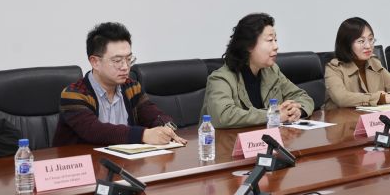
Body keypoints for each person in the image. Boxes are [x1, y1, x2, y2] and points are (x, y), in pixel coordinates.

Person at [54, 22, 187, 146]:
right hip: (83, 161)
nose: (125, 67)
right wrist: (143, 135)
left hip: (123, 161)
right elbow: (94, 131)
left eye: (128, 59)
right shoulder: (74, 94)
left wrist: (165, 127)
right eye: (117, 61)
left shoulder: (131, 87)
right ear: (95, 62)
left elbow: (152, 114)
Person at [202, 13, 314, 128]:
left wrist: (297, 110)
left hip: (266, 137)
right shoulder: (220, 78)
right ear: (248, 45)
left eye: (275, 40)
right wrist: (272, 115)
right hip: (231, 139)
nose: (276, 46)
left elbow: (302, 97)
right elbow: (223, 115)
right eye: (270, 40)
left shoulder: (271, 71)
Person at [324, 17, 390, 109]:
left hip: (371, 116)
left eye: (371, 39)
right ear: (346, 44)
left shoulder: (373, 62)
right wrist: (381, 98)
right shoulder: (334, 68)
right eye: (361, 41)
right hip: (343, 117)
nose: (368, 46)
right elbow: (341, 98)